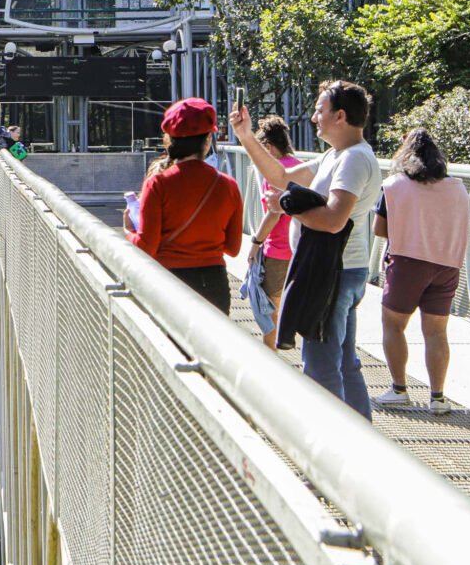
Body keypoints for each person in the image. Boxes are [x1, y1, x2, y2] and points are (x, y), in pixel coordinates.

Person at [230, 81, 382, 419]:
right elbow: (281, 175)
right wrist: (246, 135)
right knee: (344, 361)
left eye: (319, 110)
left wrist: (288, 206)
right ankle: (363, 441)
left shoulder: (354, 159)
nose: (314, 117)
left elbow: (333, 220)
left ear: (340, 116)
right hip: (340, 270)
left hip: (334, 272)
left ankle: (328, 457)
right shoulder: (337, 155)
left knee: (320, 365)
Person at [372, 129, 470, 415]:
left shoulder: (394, 185)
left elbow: (380, 229)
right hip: (447, 264)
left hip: (407, 263)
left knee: (393, 325)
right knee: (437, 332)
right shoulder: (457, 187)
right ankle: (438, 398)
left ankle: (399, 390)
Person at [127, 98, 243, 313]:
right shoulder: (229, 185)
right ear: (207, 140)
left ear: (169, 140)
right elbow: (233, 248)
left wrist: (129, 231)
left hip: (170, 282)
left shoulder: (158, 183)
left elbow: (147, 246)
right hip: (214, 283)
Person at [247, 116, 301, 349]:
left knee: (270, 312)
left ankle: (272, 359)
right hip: (300, 247)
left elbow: (274, 213)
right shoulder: (300, 166)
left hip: (279, 249)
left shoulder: (276, 173)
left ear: (268, 147)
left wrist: (255, 243)